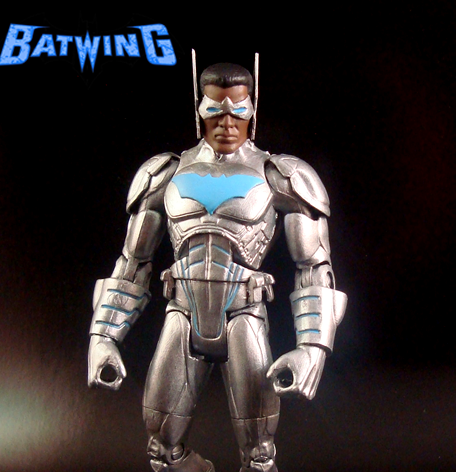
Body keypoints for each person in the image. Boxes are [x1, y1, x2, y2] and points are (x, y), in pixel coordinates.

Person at [88, 62, 347, 472]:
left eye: (237, 111)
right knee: (161, 447)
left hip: (244, 314)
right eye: (215, 110)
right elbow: (132, 262)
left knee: (259, 453)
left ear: (252, 110)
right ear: (199, 109)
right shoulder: (164, 174)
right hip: (182, 312)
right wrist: (103, 336)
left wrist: (311, 349)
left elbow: (315, 266)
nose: (227, 122)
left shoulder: (282, 176)